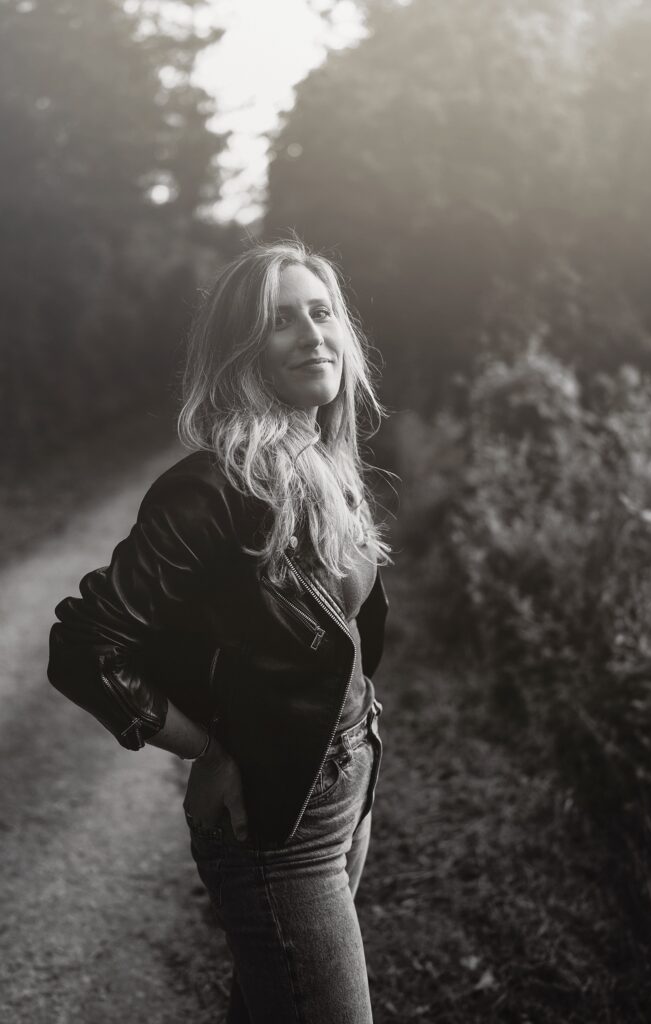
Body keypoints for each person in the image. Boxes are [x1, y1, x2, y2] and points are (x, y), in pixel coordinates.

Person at [47, 236, 393, 1023]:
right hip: (279, 825)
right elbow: (84, 647)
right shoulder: (209, 488)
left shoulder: (323, 459)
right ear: (242, 350)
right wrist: (209, 749)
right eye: (281, 321)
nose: (312, 334)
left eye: (322, 312)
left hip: (350, 775)